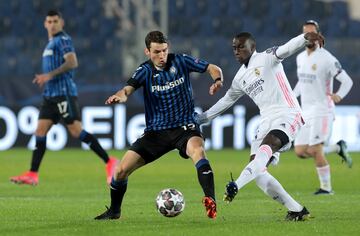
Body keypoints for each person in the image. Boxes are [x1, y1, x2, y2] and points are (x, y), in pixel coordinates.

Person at [94, 30, 223, 220]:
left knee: (198, 151)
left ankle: (210, 200)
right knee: (120, 171)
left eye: (164, 50)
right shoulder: (145, 71)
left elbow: (213, 68)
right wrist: (120, 96)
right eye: (156, 52)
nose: (161, 56)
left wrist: (217, 80)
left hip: (184, 127)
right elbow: (127, 89)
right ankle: (114, 211)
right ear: (147, 52)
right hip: (156, 132)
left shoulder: (181, 61)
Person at [196, 31, 324, 221]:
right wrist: (203, 118)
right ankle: (297, 210)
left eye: (241, 46)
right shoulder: (240, 77)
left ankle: (236, 185)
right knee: (258, 172)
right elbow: (227, 100)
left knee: (267, 148)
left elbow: (287, 48)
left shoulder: (267, 57)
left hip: (288, 114)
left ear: (252, 47)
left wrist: (304, 38)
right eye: (234, 48)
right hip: (266, 121)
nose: (237, 51)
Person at [10, 10, 117, 186]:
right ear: (45, 24)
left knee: (76, 131)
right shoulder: (50, 43)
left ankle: (109, 161)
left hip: (63, 93)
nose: (52, 24)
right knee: (40, 131)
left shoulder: (63, 40)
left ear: (62, 23)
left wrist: (49, 75)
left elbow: (72, 62)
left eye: (55, 21)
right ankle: (32, 174)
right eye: (49, 21)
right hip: (50, 96)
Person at [293, 20, 353, 195]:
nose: (308, 37)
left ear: (318, 35)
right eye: (306, 34)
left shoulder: (327, 58)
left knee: (316, 150)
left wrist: (339, 95)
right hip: (306, 111)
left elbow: (347, 81)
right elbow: (301, 83)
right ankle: (337, 148)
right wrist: (291, 96)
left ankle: (326, 188)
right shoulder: (300, 57)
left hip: (322, 110)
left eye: (312, 33)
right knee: (300, 151)